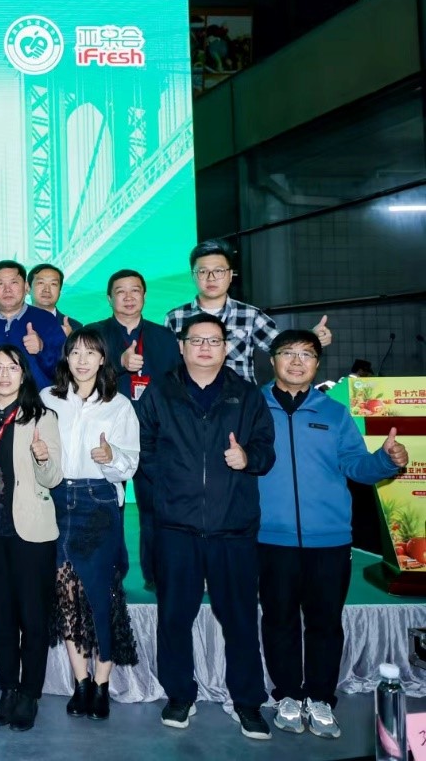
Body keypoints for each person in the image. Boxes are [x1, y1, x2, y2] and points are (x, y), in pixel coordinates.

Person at [257, 330, 409, 739]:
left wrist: (386, 460)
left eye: (307, 355)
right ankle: (288, 696)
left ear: (317, 364)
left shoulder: (335, 413)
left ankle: (320, 698)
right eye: (288, 353)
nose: (296, 362)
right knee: (279, 620)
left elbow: (358, 466)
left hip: (330, 540)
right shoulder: (252, 407)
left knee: (325, 622)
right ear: (272, 360)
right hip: (270, 539)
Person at [136, 313, 276, 739]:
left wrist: (246, 458)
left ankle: (247, 701)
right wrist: (169, 486)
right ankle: (180, 695)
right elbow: (144, 449)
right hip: (176, 528)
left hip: (232, 528)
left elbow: (265, 449)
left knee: (239, 620)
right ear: (181, 347)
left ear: (226, 348)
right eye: (196, 340)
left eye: (213, 341)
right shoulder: (160, 392)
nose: (204, 348)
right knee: (173, 618)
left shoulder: (246, 395)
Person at [40, 329, 141, 723]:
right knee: (65, 592)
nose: (82, 360)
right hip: (56, 500)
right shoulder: (47, 399)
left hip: (98, 500)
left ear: (103, 360)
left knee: (101, 594)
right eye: (75, 352)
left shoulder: (119, 405)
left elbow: (129, 465)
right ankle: (80, 681)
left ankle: (102, 683)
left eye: (91, 353)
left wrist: (109, 455)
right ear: (66, 358)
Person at [0, 344, 63, 732]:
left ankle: (30, 694)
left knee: (33, 617)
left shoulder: (42, 417)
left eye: (12, 367)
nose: (4, 375)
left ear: (23, 374)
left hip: (30, 533)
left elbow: (53, 477)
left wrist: (43, 456)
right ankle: (8, 690)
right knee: (1, 618)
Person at [88, 269, 183, 589]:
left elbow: (175, 386)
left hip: (154, 436)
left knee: (154, 510)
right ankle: (109, 575)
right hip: (107, 436)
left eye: (135, 291)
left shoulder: (164, 337)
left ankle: (156, 576)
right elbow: (82, 377)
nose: (128, 297)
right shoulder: (94, 334)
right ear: (109, 297)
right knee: (106, 510)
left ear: (144, 295)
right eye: (120, 291)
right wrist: (119, 364)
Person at [164, 239, 333, 384]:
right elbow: (166, 363)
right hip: (188, 401)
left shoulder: (250, 315)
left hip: (239, 402)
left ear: (230, 275)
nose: (211, 278)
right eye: (203, 271)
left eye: (219, 271)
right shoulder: (175, 318)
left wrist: (311, 337)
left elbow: (282, 346)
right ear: (193, 276)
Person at [0, 260, 65, 390]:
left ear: (25, 287)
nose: (7, 289)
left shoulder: (46, 319)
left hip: (36, 399)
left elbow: (63, 371)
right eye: (0, 283)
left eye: (14, 283)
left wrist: (42, 349)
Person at [28, 263, 82, 337]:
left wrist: (68, 339)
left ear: (60, 291)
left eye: (53, 284)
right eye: (41, 283)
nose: (47, 290)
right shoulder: (13, 322)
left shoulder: (75, 327)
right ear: (28, 288)